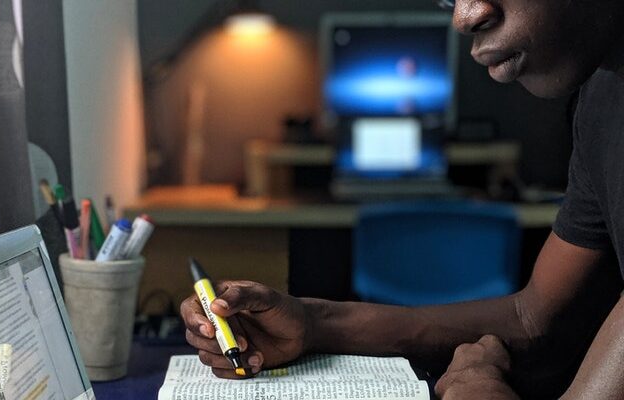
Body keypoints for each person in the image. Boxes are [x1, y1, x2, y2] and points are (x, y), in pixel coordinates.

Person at [181, 0, 624, 398]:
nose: (466, 17)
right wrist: (310, 324)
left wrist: (475, 385)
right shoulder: (603, 98)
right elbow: (532, 318)